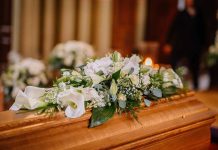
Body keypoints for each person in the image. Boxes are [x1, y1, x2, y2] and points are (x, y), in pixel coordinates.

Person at [164, 0, 205, 89]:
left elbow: (203, 31)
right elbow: (172, 29)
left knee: (195, 67)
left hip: (195, 45)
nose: (188, 1)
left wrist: (204, 45)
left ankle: (196, 87)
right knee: (174, 64)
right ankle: (172, 84)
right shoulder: (180, 14)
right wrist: (168, 43)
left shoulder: (199, 14)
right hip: (181, 44)